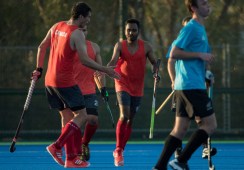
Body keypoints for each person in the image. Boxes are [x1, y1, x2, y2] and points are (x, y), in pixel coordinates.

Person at [31, 2, 120, 168]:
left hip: (49, 80)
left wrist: (38, 69)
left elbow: (41, 46)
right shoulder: (77, 33)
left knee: (66, 118)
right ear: (80, 16)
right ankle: (57, 146)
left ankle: (70, 159)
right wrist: (105, 70)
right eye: (88, 17)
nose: (88, 21)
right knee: (82, 116)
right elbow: (85, 60)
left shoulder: (57, 26)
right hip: (65, 81)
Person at [153, 0, 217, 169]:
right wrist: (200, 55)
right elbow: (174, 54)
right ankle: (181, 161)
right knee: (210, 125)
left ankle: (159, 167)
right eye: (203, 3)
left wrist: (205, 72)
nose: (207, 5)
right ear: (193, 8)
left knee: (180, 130)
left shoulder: (200, 29)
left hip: (190, 84)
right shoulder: (191, 28)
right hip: (191, 85)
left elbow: (194, 58)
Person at [107, 18, 159, 167]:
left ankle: (120, 150)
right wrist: (103, 69)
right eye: (128, 30)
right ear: (125, 31)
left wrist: (156, 72)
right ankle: (117, 149)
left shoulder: (147, 47)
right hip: (121, 83)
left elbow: (154, 63)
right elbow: (113, 61)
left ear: (138, 31)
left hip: (138, 87)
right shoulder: (120, 45)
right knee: (124, 115)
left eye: (134, 30)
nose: (131, 32)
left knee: (131, 119)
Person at [166, 16, 217, 160]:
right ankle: (178, 151)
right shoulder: (179, 43)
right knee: (181, 124)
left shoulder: (202, 42)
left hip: (197, 85)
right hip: (184, 86)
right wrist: (173, 80)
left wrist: (208, 75)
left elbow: (205, 64)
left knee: (202, 120)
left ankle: (205, 148)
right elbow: (171, 61)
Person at [73, 25, 108, 161]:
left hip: (88, 89)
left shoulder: (94, 47)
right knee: (75, 121)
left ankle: (84, 144)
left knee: (93, 120)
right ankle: (73, 151)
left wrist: (103, 88)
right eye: (79, 30)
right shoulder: (69, 47)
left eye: (84, 30)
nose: (82, 32)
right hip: (71, 89)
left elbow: (100, 70)